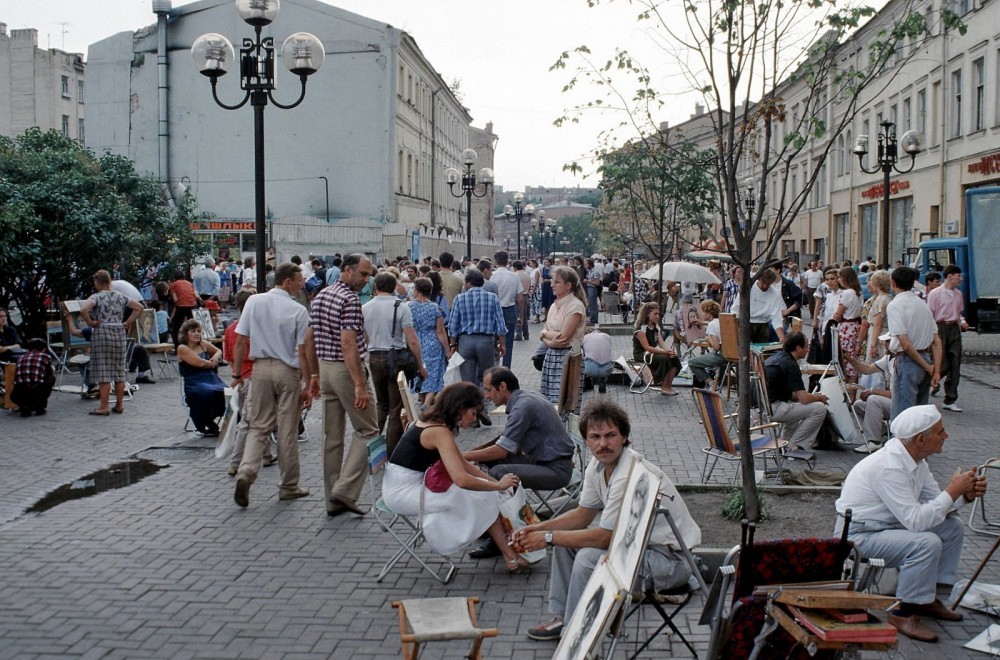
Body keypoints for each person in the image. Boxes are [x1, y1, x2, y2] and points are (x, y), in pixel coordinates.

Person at [517, 400, 701, 642]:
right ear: (586, 441)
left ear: (624, 437)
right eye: (595, 436)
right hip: (639, 551)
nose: (603, 444)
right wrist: (539, 527)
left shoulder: (630, 472)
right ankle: (563, 618)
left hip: (671, 561)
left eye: (610, 435)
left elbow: (606, 536)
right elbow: (583, 513)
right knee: (565, 546)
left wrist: (548, 538)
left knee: (586, 558)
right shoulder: (598, 465)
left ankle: (576, 634)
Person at [835, 405, 986, 642]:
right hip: (859, 535)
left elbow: (937, 506)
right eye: (940, 432)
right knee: (926, 542)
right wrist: (953, 490)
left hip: (888, 526)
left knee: (952, 528)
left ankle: (925, 599)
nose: (946, 436)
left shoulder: (916, 459)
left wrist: (962, 494)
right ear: (921, 439)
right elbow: (917, 522)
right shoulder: (889, 466)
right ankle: (901, 611)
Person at [381, 382, 530, 571]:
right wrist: (498, 486)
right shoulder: (439, 431)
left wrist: (495, 484)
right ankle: (511, 556)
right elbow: (461, 479)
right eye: (473, 413)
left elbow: (463, 464)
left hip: (406, 484)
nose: (474, 419)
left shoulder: (437, 424)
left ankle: (511, 557)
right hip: (402, 493)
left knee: (486, 495)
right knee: (482, 496)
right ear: (460, 408)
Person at [464, 366, 576, 559]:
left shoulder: (522, 407)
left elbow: (501, 449)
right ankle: (494, 523)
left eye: (488, 390)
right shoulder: (524, 398)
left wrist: (459, 456)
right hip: (548, 461)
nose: (487, 396)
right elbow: (504, 441)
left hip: (556, 470)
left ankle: (506, 534)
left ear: (502, 386)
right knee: (493, 465)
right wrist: (471, 454)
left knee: (500, 473)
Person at [231, 263, 312, 507]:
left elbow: (241, 339)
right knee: (287, 429)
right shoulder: (298, 311)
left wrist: (236, 373)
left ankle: (246, 471)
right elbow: (302, 351)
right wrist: (308, 383)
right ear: (287, 281)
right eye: (299, 280)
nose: (301, 285)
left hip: (260, 368)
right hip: (287, 370)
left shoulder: (254, 302)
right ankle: (289, 485)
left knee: (258, 425)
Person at [307, 254, 381, 517]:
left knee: (332, 435)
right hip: (346, 369)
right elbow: (348, 343)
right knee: (369, 430)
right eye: (362, 274)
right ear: (346, 270)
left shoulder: (322, 295)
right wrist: (359, 383)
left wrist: (314, 375)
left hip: (326, 368)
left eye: (368, 274)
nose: (366, 280)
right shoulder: (349, 299)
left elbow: (310, 336)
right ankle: (345, 490)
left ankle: (332, 499)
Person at [362, 271, 427, 456]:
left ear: (375, 286)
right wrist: (420, 365)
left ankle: (373, 447)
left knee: (381, 403)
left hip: (374, 357)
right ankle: (392, 453)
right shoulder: (401, 307)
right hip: (396, 358)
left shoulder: (365, 307)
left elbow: (363, 337)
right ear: (394, 287)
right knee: (395, 407)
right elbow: (412, 340)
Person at [222, 289, 275, 476]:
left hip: (240, 377)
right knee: (249, 420)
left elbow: (227, 356)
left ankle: (267, 454)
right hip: (255, 377)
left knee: (257, 415)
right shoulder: (257, 328)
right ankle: (235, 462)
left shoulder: (230, 329)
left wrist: (237, 372)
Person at [80, 270, 143, 416]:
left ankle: (103, 406)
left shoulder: (96, 297)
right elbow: (139, 307)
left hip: (102, 332)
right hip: (118, 333)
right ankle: (119, 405)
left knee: (103, 371)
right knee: (119, 370)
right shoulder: (121, 296)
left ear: (98, 282)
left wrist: (90, 322)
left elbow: (83, 309)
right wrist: (127, 322)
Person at [886, 266, 941, 421]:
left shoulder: (895, 305)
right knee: (918, 415)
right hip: (925, 357)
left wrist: (927, 367)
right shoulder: (922, 304)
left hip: (908, 361)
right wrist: (935, 370)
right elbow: (936, 340)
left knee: (902, 415)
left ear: (893, 282)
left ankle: (900, 444)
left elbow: (906, 344)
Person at [447, 269, 507, 399]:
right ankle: (486, 398)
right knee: (486, 374)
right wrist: (502, 344)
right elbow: (500, 325)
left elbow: (453, 325)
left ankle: (471, 400)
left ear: (468, 283)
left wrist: (453, 344)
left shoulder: (459, 299)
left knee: (467, 376)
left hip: (466, 340)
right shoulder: (492, 298)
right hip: (486, 340)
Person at [763, 332, 830, 448]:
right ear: (798, 348)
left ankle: (786, 442)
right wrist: (818, 398)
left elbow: (794, 396)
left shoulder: (776, 357)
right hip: (772, 408)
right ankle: (796, 446)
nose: (808, 350)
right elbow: (804, 399)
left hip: (761, 405)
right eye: (806, 346)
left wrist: (810, 397)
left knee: (796, 406)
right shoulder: (790, 365)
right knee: (819, 408)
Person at [539, 266, 587, 405]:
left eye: (557, 282)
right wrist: (548, 338)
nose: (552, 285)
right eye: (553, 281)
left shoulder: (575, 307)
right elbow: (545, 331)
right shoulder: (554, 306)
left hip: (569, 357)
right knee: (549, 403)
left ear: (568, 285)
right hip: (551, 356)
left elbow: (563, 338)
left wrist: (544, 335)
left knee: (565, 404)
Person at [927, 265, 967, 412]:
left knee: (955, 363)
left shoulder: (958, 294)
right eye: (958, 276)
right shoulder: (935, 294)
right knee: (942, 363)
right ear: (950, 276)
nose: (960, 278)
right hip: (940, 327)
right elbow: (930, 314)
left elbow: (958, 313)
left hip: (954, 328)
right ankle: (931, 381)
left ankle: (950, 398)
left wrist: (962, 321)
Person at [177, 319, 227, 437]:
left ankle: (229, 421)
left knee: (228, 392)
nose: (197, 333)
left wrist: (215, 357)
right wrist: (212, 364)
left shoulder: (203, 344)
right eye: (193, 331)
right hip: (195, 382)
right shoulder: (182, 348)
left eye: (199, 331)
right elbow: (200, 363)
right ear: (186, 334)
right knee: (207, 393)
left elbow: (218, 350)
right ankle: (205, 421)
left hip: (211, 379)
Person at [845, 334, 894, 453]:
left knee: (873, 400)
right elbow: (866, 369)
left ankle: (874, 441)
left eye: (887, 342)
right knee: (858, 405)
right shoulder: (889, 359)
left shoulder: (901, 362)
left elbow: (895, 394)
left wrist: (872, 391)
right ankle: (882, 430)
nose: (884, 345)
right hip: (892, 400)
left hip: (899, 402)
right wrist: (850, 359)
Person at [408, 277, 451, 408]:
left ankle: (423, 402)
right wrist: (447, 350)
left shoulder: (408, 306)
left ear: (417, 291)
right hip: (432, 343)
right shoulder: (435, 308)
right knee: (434, 374)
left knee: (419, 374)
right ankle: (427, 404)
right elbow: (440, 331)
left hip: (415, 342)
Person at [632, 302, 682, 397]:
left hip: (651, 352)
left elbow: (662, 343)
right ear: (647, 314)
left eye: (658, 314)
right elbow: (647, 347)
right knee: (664, 358)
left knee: (673, 358)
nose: (658, 316)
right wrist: (665, 352)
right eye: (655, 314)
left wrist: (669, 351)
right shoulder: (641, 329)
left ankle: (668, 386)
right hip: (641, 353)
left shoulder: (656, 326)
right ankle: (664, 387)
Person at [730, 268, 786, 343]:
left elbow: (776, 317)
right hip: (746, 322)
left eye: (769, 284)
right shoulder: (749, 288)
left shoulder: (775, 293)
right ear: (759, 279)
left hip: (763, 324)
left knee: (761, 349)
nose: (766, 286)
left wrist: (781, 337)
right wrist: (736, 328)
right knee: (743, 347)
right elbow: (736, 309)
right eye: (764, 283)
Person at [490, 251, 524, 368]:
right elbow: (520, 298)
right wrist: (521, 316)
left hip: (494, 311)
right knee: (508, 343)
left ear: (495, 260)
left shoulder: (492, 276)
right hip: (510, 310)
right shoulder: (514, 276)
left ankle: (494, 367)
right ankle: (506, 368)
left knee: (493, 340)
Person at [834, 266, 864, 384]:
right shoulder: (858, 293)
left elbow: (838, 315)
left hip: (846, 328)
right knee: (853, 359)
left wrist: (835, 315)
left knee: (844, 358)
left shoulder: (846, 293)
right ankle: (853, 391)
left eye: (840, 277)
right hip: (855, 327)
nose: (838, 279)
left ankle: (845, 390)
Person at [10, 337, 54, 417]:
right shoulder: (46, 357)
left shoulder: (20, 357)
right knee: (50, 378)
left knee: (22, 385)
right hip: (38, 389)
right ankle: (39, 407)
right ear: (43, 349)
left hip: (19, 391)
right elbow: (49, 373)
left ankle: (25, 406)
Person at [688, 300, 725, 389]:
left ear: (709, 313)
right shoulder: (720, 321)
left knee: (692, 362)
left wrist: (708, 339)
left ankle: (711, 383)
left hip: (721, 355)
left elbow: (716, 347)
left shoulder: (712, 325)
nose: (701, 314)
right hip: (730, 353)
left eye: (703, 312)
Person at [863, 270, 891, 361]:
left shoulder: (880, 300)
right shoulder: (888, 298)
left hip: (878, 336)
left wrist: (873, 345)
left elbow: (878, 324)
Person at [581, 327, 613, 394]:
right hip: (607, 369)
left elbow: (577, 351)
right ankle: (602, 380)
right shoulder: (607, 336)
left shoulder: (584, 338)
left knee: (582, 359)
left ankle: (586, 382)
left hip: (590, 369)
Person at [584, 258, 603, 325]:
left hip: (592, 288)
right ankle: (592, 318)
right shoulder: (589, 271)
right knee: (590, 304)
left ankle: (594, 319)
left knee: (593, 305)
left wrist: (588, 281)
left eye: (586, 264)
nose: (585, 265)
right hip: (588, 288)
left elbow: (597, 283)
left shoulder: (595, 272)